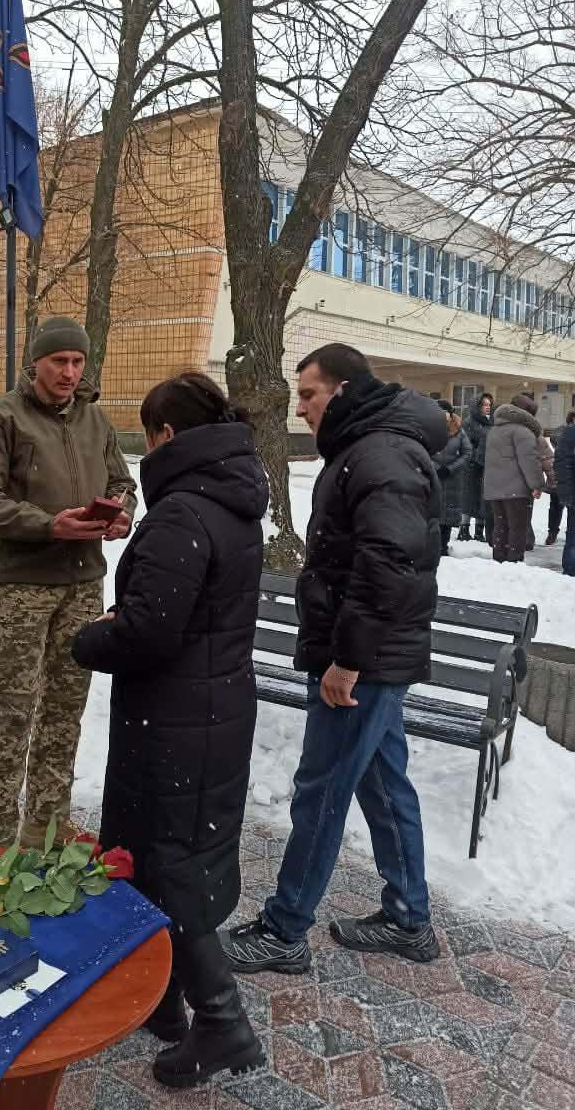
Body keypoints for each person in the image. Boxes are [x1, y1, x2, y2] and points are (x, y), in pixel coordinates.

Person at [222, 343, 445, 975]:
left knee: (321, 790)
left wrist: (347, 660)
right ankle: (409, 917)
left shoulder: (379, 452)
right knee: (381, 782)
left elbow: (387, 564)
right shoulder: (370, 447)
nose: (301, 408)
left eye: (309, 394)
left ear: (343, 391)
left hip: (366, 659)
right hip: (373, 652)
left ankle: (285, 930)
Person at [72, 374, 268, 1088]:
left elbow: (151, 632)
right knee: (172, 854)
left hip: (175, 719)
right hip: (211, 710)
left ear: (164, 436)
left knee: (170, 862)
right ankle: (162, 999)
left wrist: (90, 640)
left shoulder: (182, 512)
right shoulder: (232, 498)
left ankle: (223, 1026)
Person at [0, 317, 136, 850]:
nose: (69, 371)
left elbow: (122, 480)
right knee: (12, 711)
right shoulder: (1, 418)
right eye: (59, 361)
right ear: (35, 363)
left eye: (78, 362)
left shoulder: (95, 419)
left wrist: (121, 513)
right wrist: (48, 525)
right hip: (24, 586)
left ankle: (47, 823)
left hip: (83, 584)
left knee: (65, 709)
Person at [483, 393, 545, 564]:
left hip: (495, 488)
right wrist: (537, 484)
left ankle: (499, 559)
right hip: (515, 490)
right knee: (517, 528)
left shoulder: (495, 429)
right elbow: (529, 461)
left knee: (500, 526)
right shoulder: (522, 431)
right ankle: (513, 563)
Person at [432, 401, 472, 555]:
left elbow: (467, 453)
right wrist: (435, 467)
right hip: (433, 477)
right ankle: (432, 546)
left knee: (448, 516)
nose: (442, 415)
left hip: (452, 480)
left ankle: (443, 546)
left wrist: (451, 468)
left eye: (444, 411)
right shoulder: (428, 428)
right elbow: (422, 450)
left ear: (450, 413)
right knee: (433, 513)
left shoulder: (459, 431)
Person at [462, 392, 493, 542]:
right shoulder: (469, 422)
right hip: (472, 465)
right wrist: (476, 455)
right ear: (477, 406)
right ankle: (464, 528)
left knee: (483, 498)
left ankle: (479, 530)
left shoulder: (490, 422)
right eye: (484, 405)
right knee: (469, 497)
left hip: (486, 465)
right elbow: (466, 445)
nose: (488, 407)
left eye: (489, 405)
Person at [553, 411, 575, 577]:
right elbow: (561, 464)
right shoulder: (570, 433)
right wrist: (566, 493)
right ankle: (570, 572)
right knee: (573, 536)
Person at [540, 429, 562, 545]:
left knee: (556, 508)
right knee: (556, 507)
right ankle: (552, 533)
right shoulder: (562, 431)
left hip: (560, 478)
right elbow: (553, 437)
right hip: (559, 478)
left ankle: (553, 533)